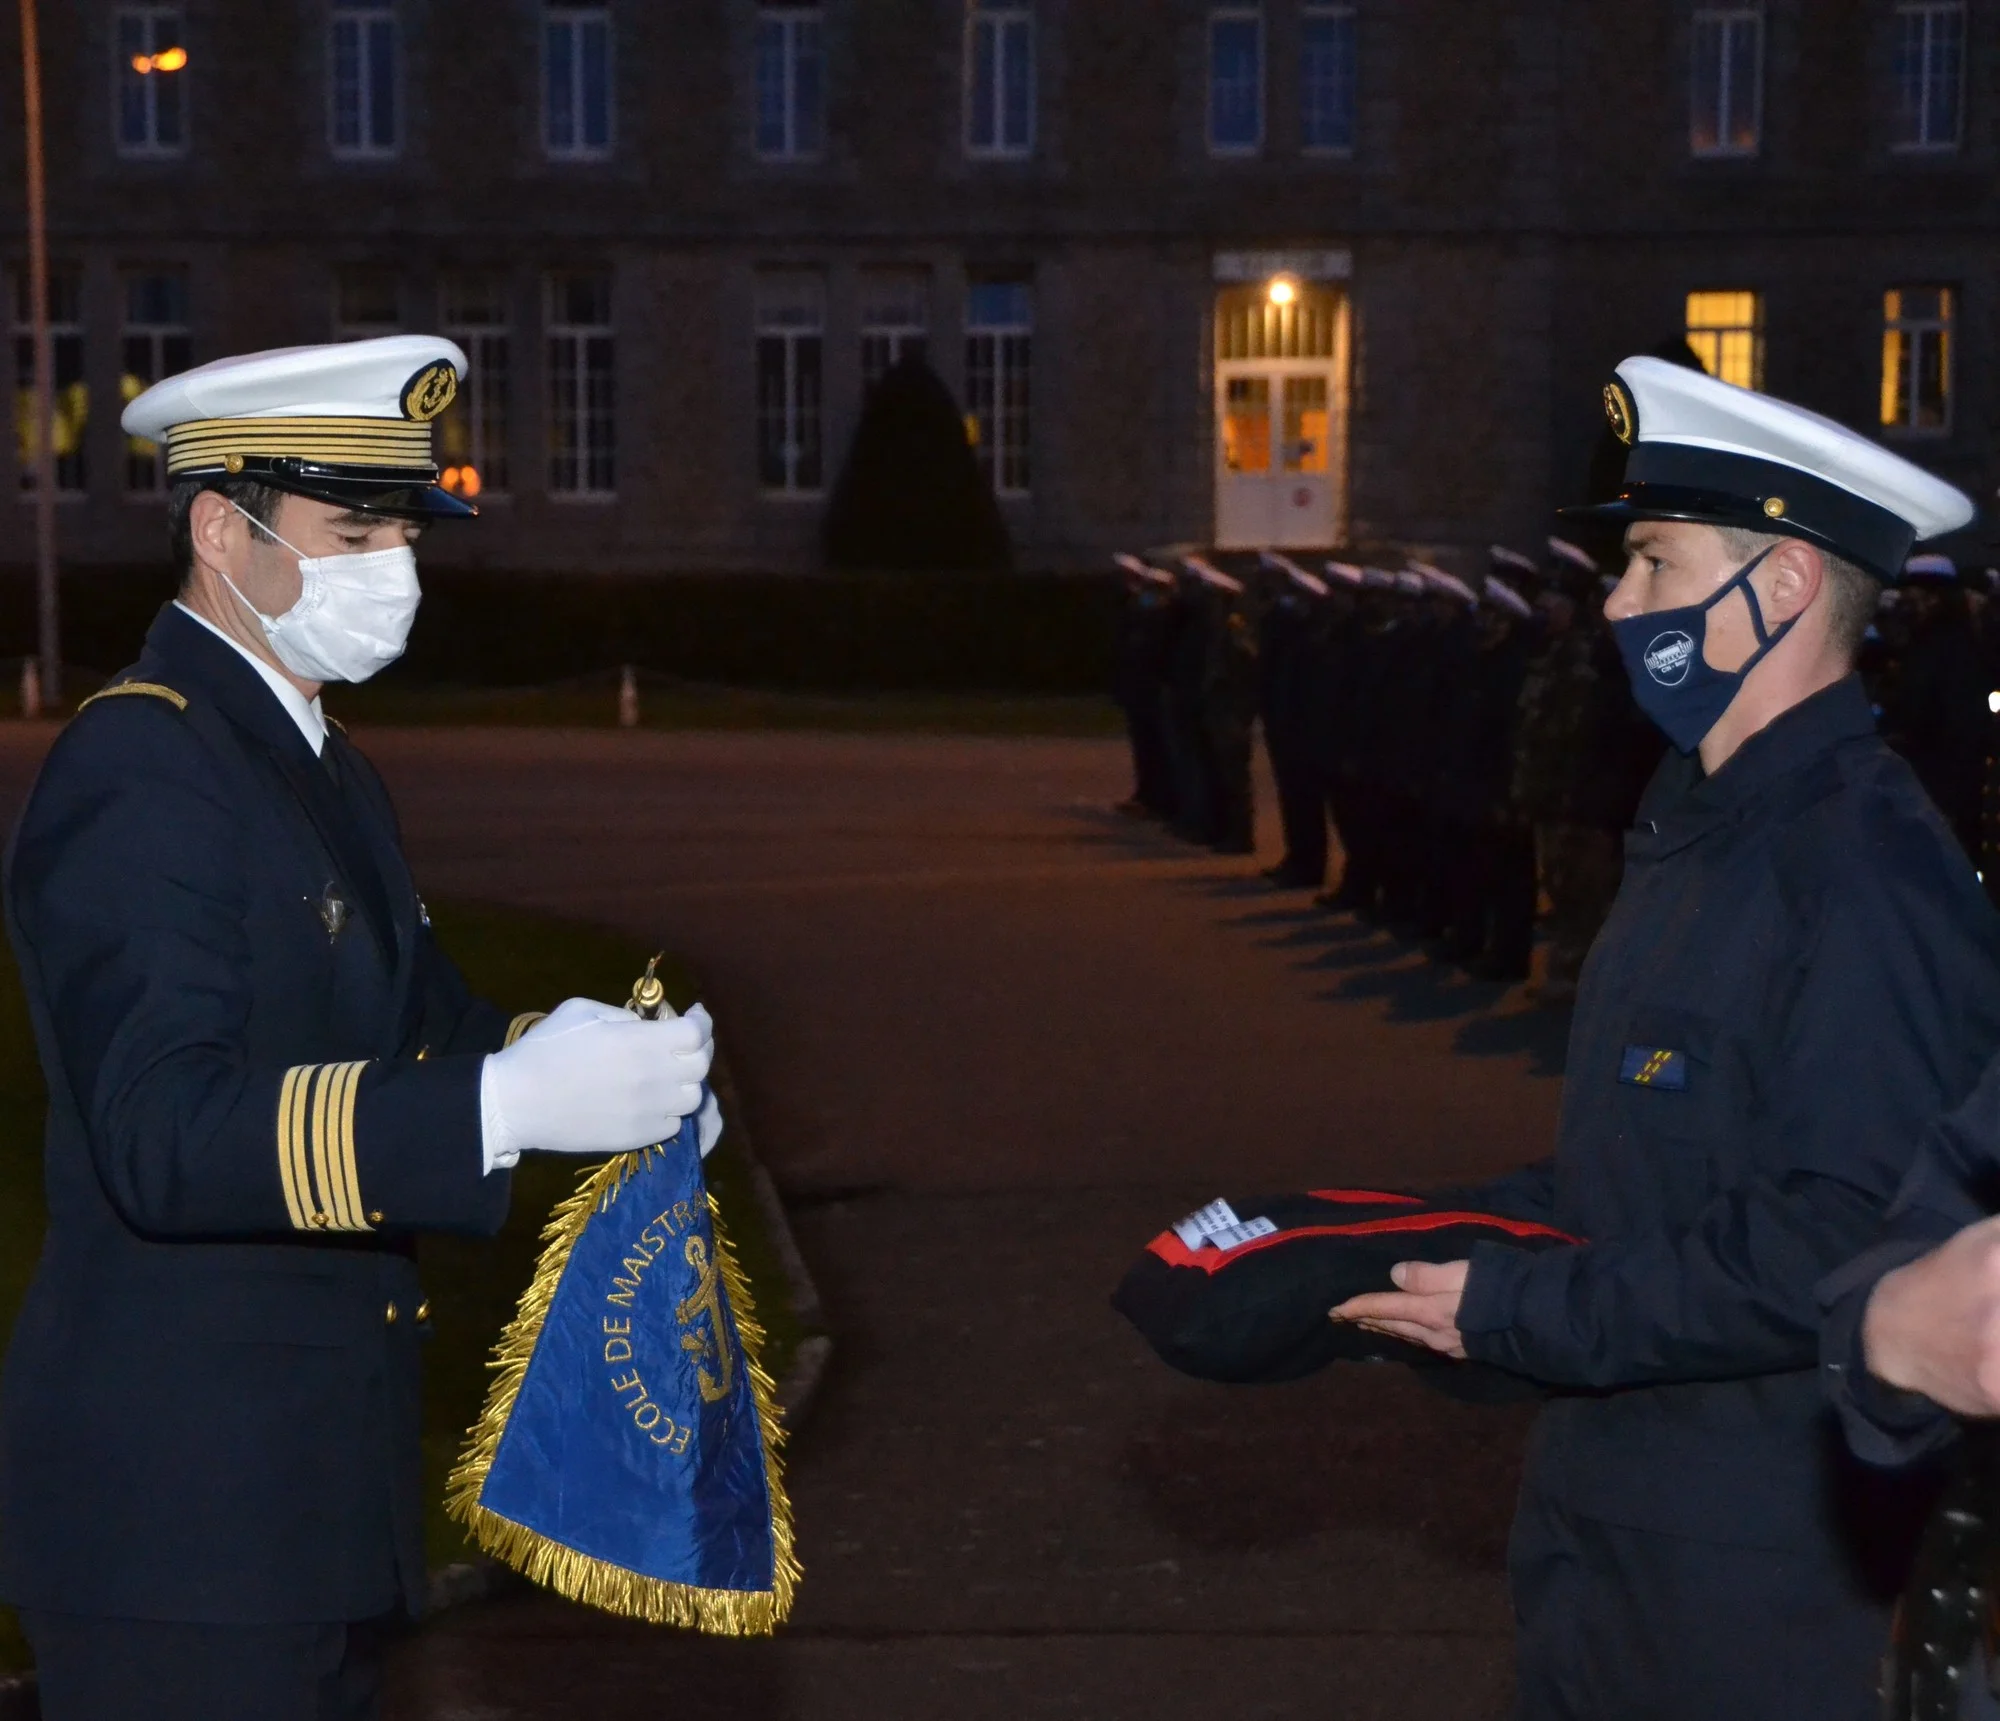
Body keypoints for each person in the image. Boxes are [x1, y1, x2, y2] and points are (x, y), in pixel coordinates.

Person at [0, 337, 722, 1721]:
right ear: (223, 529)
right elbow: (163, 1132)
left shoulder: (310, 757)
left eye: (403, 530)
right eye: (355, 530)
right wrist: (503, 1108)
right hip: (181, 1522)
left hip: (301, 1506)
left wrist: (611, 1076)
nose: (393, 568)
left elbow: (420, 1027)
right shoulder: (145, 765)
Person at [1331, 354, 1998, 1720]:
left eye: (1652, 562)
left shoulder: (1864, 875)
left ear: (1788, 587)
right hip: (1613, 1542)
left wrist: (1531, 1306)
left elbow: (1843, 1239)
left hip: (1755, 1592)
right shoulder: (1704, 836)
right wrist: (1401, 1246)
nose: (1617, 602)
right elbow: (1647, 1188)